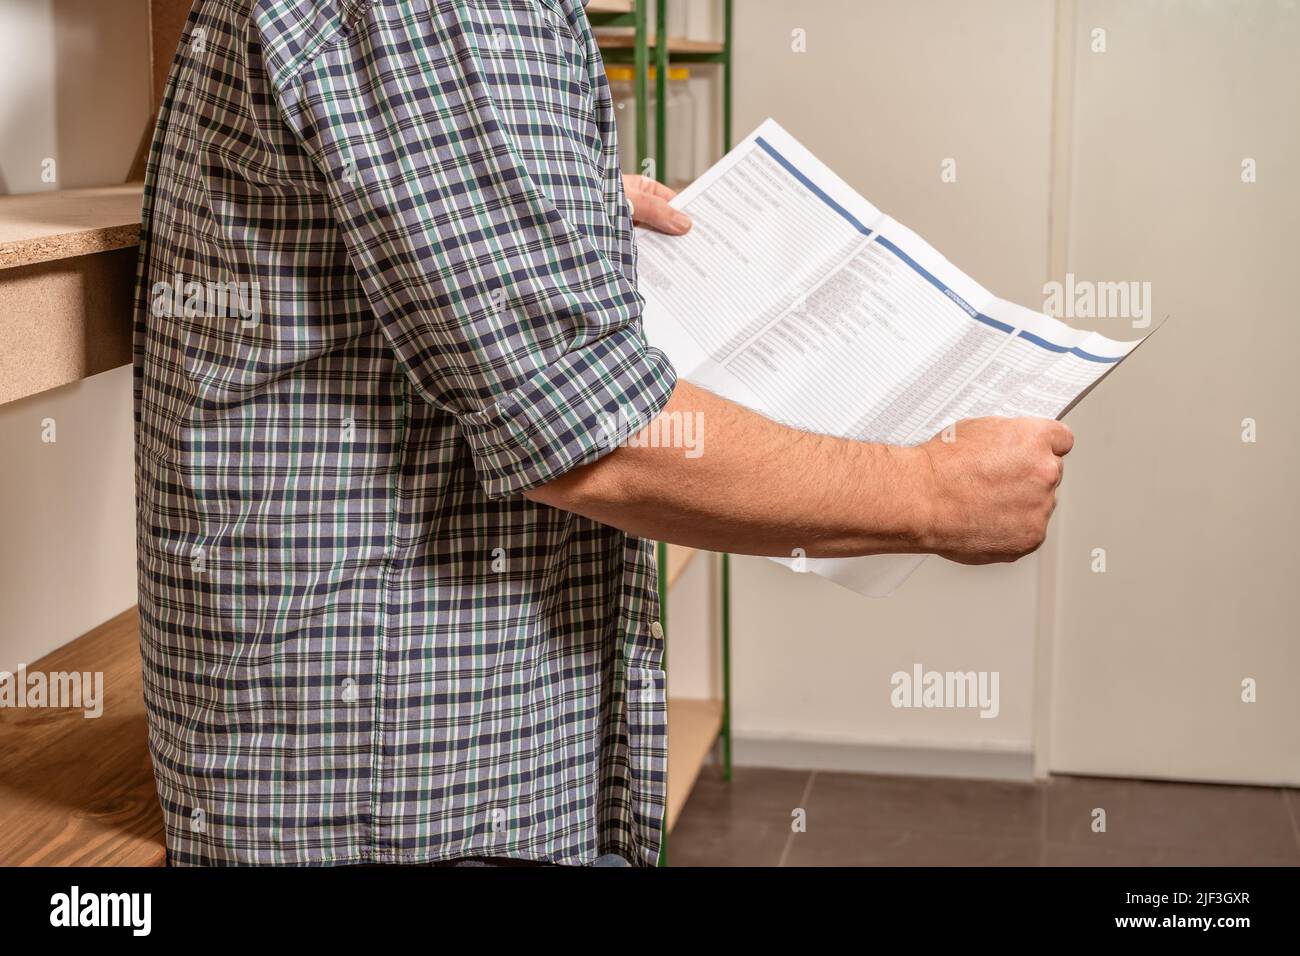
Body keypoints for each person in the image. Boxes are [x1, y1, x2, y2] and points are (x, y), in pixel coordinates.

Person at [132, 0, 1071, 867]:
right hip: (399, 792)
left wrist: (551, 214)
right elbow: (592, 436)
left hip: (391, 758)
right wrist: (934, 495)